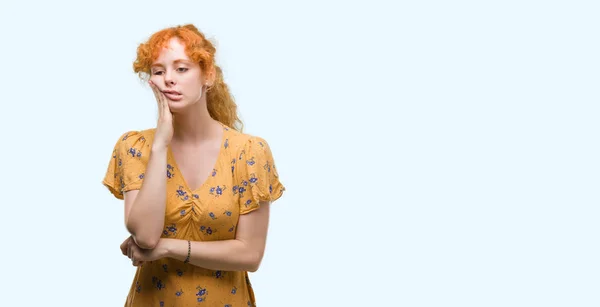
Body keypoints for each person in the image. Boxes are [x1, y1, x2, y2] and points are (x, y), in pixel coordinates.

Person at [102, 24, 285, 306]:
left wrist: (168, 248)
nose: (168, 80)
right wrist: (161, 144)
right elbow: (146, 237)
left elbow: (250, 255)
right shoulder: (135, 147)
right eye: (158, 71)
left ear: (207, 75)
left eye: (182, 69)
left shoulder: (248, 152)